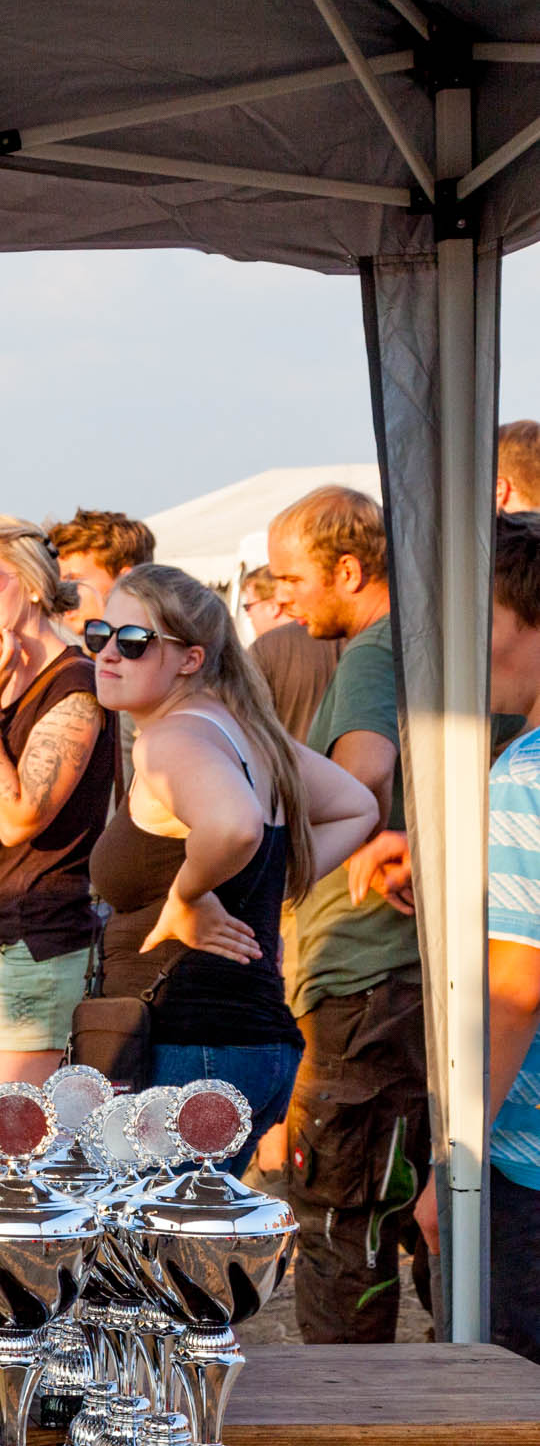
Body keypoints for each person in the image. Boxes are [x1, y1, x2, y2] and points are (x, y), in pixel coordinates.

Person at [86, 565, 378, 1171]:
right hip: (247, 1047)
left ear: (190, 659)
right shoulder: (248, 734)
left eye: (134, 641)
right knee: (192, 1229)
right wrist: (264, 886)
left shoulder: (171, 740)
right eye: (99, 634)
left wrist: (188, 897)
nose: (108, 653)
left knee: (156, 1231)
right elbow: (358, 807)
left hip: (190, 1050)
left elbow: (235, 826)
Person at [266, 483, 431, 1345]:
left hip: (366, 974)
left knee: (341, 1218)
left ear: (349, 570)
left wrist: (279, 839)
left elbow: (363, 770)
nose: (282, 597)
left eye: (291, 578)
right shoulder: (428, 640)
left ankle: (348, 1414)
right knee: (411, 1204)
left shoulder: (374, 650)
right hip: (402, 970)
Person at [0, 519, 118, 1087]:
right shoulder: (4, 686)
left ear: (34, 584)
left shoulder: (76, 684)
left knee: (24, 1139)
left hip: (38, 944)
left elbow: (19, 819)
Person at [453, 512, 540, 1368]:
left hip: (526, 1162)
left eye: (485, 620)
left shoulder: (524, 775)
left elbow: (516, 990)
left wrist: (459, 1159)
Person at [243, 565, 342, 741]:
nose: (249, 615)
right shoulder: (342, 635)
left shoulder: (263, 649)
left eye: (248, 606)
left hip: (291, 757)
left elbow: (247, 724)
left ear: (272, 607)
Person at [47, 507, 154, 632]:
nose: (60, 594)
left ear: (127, 580)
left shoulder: (161, 641)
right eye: (57, 584)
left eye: (73, 580)